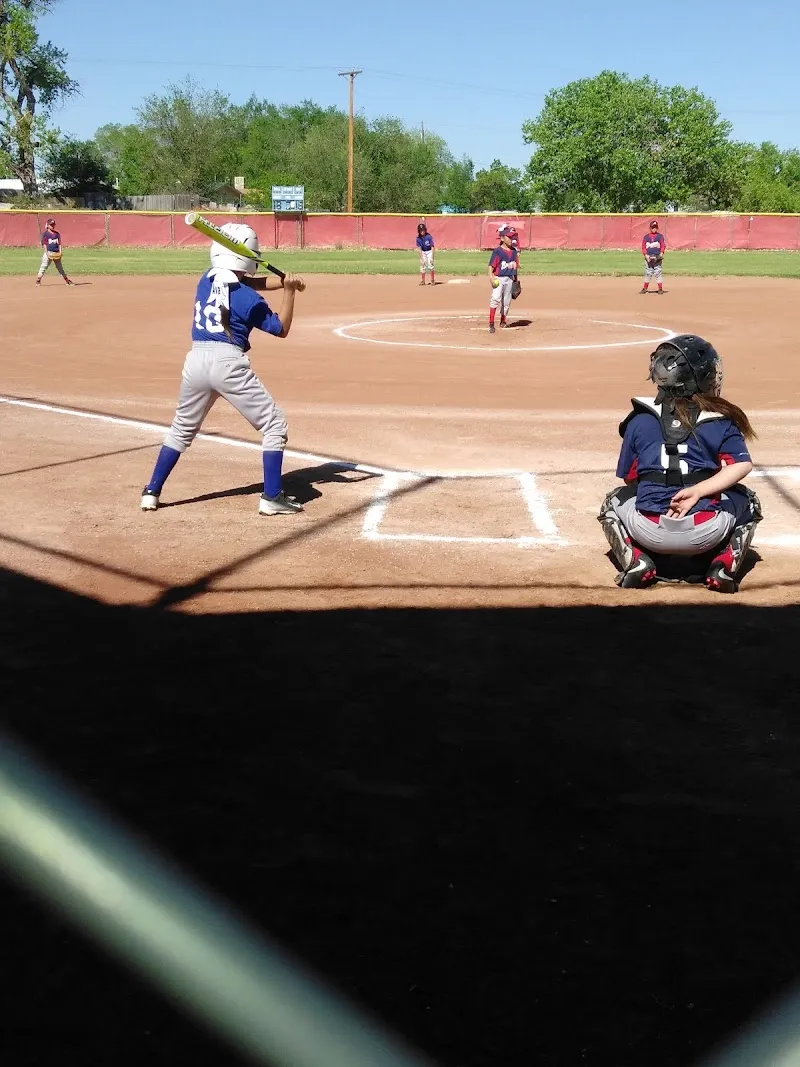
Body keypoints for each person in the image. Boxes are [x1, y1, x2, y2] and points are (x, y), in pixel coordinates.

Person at [140, 222, 306, 517]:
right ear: (247, 258)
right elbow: (281, 328)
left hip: (196, 361)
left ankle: (151, 492)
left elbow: (244, 282)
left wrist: (283, 282)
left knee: (181, 430)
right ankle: (271, 497)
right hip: (228, 364)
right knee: (274, 426)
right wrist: (290, 293)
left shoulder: (206, 280)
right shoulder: (249, 299)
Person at [598, 334, 763, 592]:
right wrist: (698, 490)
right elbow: (741, 465)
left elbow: (629, 478)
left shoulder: (639, 419)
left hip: (649, 530)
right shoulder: (720, 419)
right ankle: (723, 567)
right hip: (705, 532)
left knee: (612, 500)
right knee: (749, 500)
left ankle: (637, 562)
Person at [487, 224, 519, 334]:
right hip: (498, 278)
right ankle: (491, 323)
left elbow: (515, 266)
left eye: (512, 237)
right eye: (509, 237)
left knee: (506, 302)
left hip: (509, 279)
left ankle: (503, 321)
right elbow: (491, 266)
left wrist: (516, 280)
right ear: (502, 238)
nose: (511, 239)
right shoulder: (498, 251)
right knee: (495, 299)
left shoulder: (514, 251)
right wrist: (491, 277)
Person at [36, 218, 73, 286]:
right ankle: (38, 280)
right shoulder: (46, 234)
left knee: (60, 268)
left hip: (56, 253)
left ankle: (67, 280)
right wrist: (47, 254)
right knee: (44, 266)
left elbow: (59, 244)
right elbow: (44, 244)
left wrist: (60, 252)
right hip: (49, 252)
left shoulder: (57, 234)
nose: (53, 226)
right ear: (47, 225)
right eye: (51, 225)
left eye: (53, 225)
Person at [640, 219, 666, 294]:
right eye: (652, 227)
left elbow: (663, 246)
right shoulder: (646, 237)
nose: (654, 228)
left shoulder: (660, 236)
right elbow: (643, 247)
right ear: (650, 228)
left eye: (655, 227)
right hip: (648, 258)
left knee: (658, 273)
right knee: (648, 273)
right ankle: (645, 288)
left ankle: (660, 288)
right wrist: (646, 255)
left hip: (657, 257)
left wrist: (661, 253)